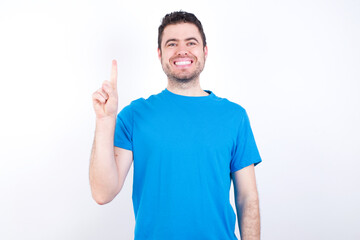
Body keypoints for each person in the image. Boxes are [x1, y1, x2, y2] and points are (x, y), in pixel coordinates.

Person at [90, 11, 262, 240]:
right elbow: (103, 192)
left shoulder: (234, 116)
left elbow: (247, 197)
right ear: (160, 54)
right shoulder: (134, 115)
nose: (182, 50)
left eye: (191, 42)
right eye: (172, 44)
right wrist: (104, 121)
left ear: (205, 52)